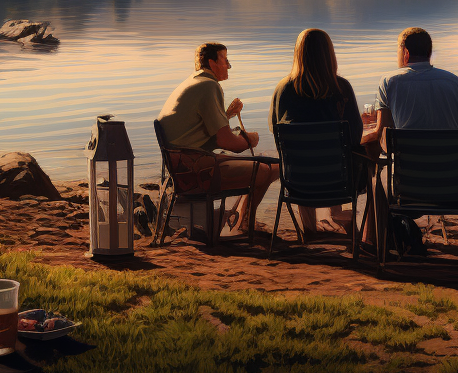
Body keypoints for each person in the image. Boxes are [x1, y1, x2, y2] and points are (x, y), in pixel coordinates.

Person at [362, 27, 458, 247]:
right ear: (429, 52)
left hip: (406, 189)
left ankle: (372, 243)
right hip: (454, 189)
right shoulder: (457, 84)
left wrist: (367, 139)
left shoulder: (389, 82)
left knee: (376, 175)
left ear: (405, 52)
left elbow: (384, 141)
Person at [156, 42, 279, 236]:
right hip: (196, 172)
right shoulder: (209, 86)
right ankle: (245, 223)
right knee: (268, 169)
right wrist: (249, 140)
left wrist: (227, 115)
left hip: (182, 167)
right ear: (213, 63)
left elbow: (200, 129)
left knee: (264, 163)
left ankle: (243, 220)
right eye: (226, 60)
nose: (229, 66)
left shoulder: (194, 82)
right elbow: (226, 142)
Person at [268, 28, 369, 234]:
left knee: (302, 158)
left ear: (298, 54)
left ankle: (308, 230)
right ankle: (342, 218)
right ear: (329, 54)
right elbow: (355, 137)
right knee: (356, 155)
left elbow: (275, 131)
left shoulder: (283, 89)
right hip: (342, 182)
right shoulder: (342, 87)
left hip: (298, 183)